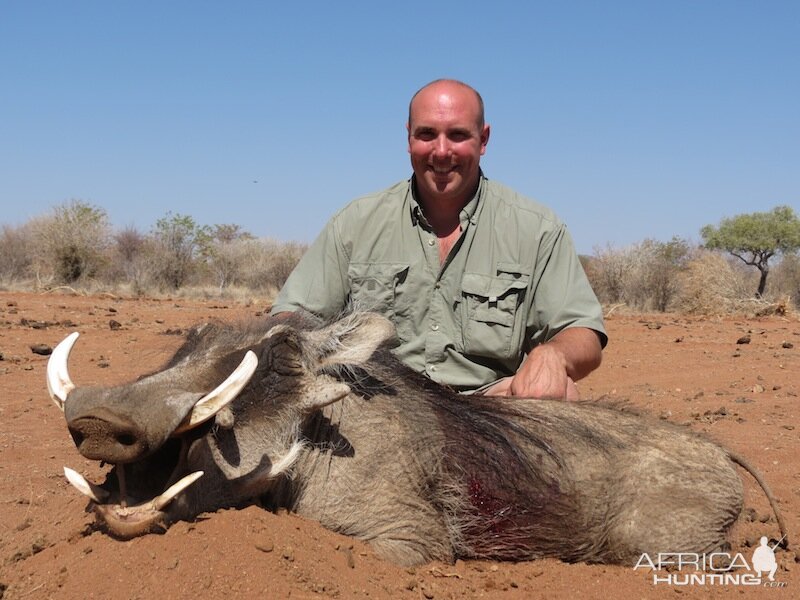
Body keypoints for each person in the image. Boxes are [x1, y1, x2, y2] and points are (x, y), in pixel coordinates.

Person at [271, 79, 607, 399]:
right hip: (378, 405)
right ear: (408, 138)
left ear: (484, 139)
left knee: (562, 393)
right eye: (427, 134)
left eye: (458, 135)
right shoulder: (354, 223)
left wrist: (554, 355)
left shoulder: (537, 230)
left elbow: (584, 333)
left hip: (488, 409)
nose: (442, 151)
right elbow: (290, 317)